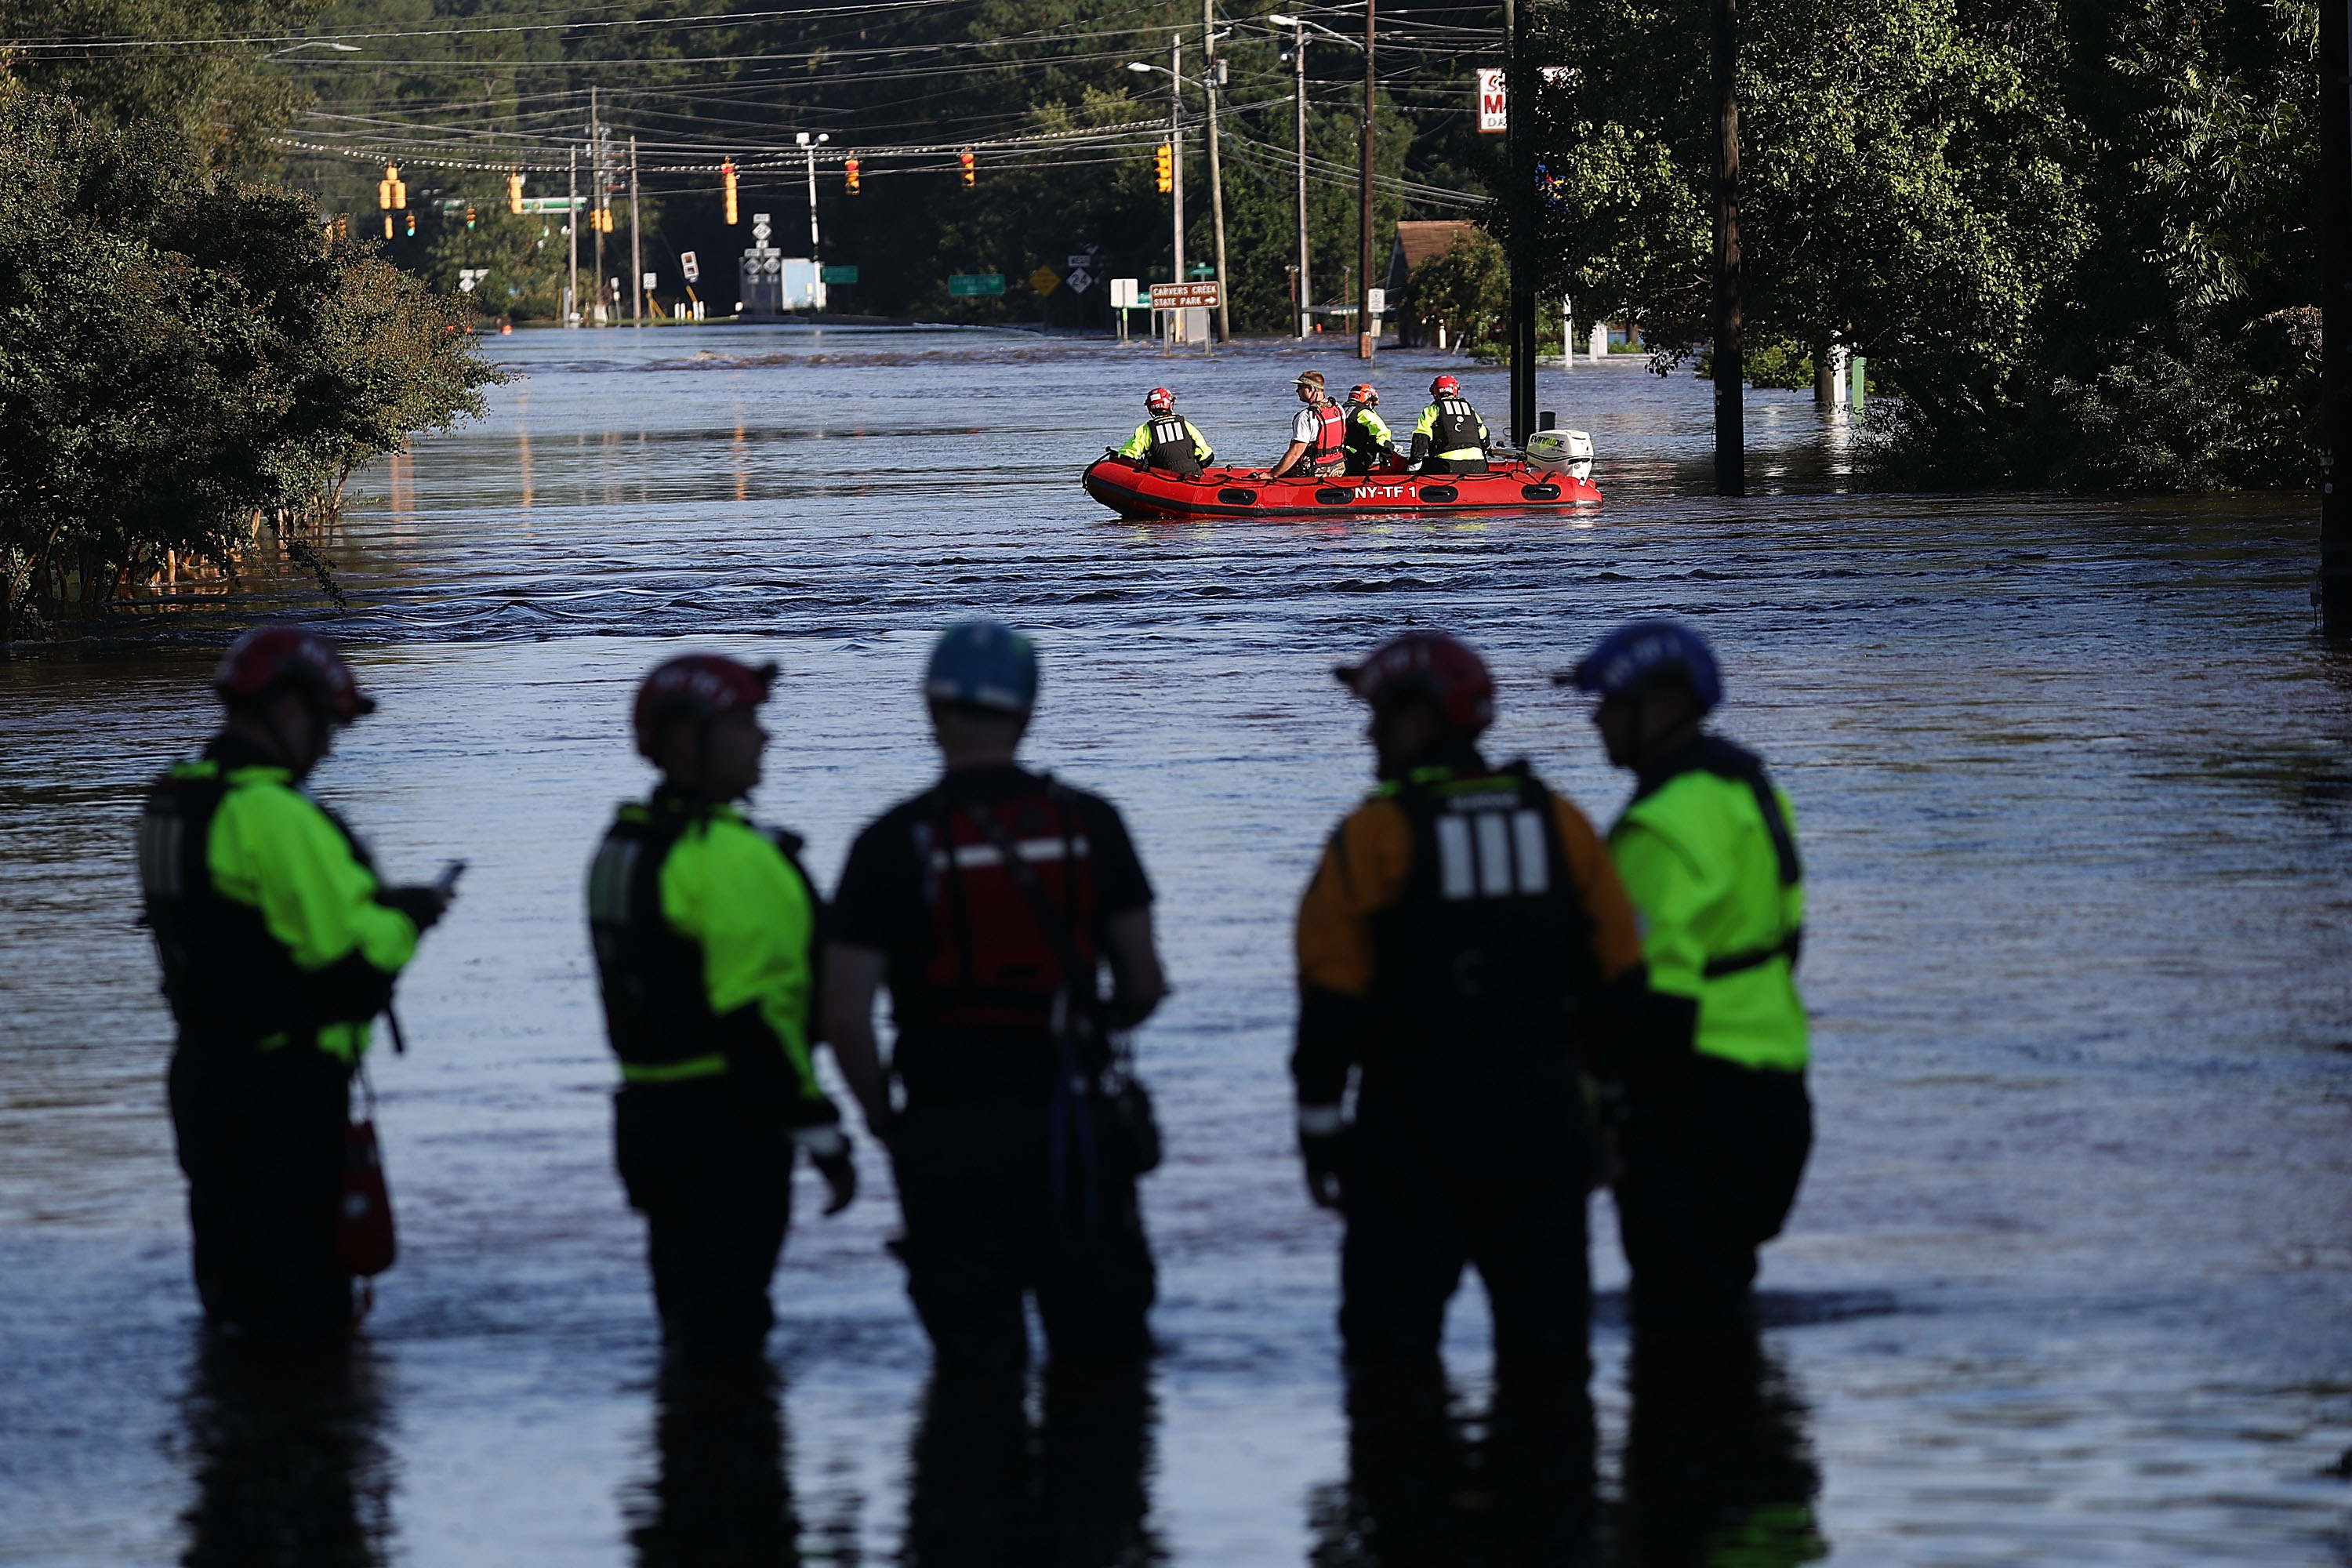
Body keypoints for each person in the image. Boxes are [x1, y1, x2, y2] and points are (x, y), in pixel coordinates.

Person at [1291, 631, 1647, 1374]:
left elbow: (1330, 999)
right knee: (1549, 1354)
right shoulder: (1563, 824)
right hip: (1544, 1126)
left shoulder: (1373, 837)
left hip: (1411, 1130)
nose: (1367, 733)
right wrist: (1612, 1112)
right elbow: (1619, 985)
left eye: (1379, 716)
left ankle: (1403, 1485)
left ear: (1419, 722)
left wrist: (1321, 1132)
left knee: (1392, 1355)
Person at [825, 619, 1170, 1374]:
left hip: (943, 1126)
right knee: (1103, 1367)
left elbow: (845, 1014)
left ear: (931, 708)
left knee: (973, 1369)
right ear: (1029, 709)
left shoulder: (889, 842)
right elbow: (1144, 985)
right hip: (1070, 1122)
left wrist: (886, 1120)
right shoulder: (1091, 824)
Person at [138, 625, 452, 1336]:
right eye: (325, 724)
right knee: (302, 1314)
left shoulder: (174, 801)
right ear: (285, 707)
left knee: (235, 1304)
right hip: (283, 1094)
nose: (330, 744)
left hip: (206, 1078)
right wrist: (411, 913)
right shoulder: (275, 815)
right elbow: (353, 963)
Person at [586, 653, 858, 1359]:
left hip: (648, 1122)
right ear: (685, 740)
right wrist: (817, 1124)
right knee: (732, 1329)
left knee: (689, 1320)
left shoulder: (621, 846)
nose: (764, 738)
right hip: (729, 1126)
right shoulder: (725, 856)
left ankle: (693, 1452)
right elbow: (755, 1017)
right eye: (744, 724)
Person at [1558, 619, 1811, 1329]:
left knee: (1680, 1330)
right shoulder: (1754, 791)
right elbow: (1787, 937)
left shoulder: (1658, 828)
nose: (1596, 719)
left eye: (1610, 703)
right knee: (1724, 1306)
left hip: (1693, 1103)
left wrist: (1610, 1116)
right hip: (1776, 1084)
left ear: (1663, 707)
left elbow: (1646, 999)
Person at [1114, 387, 1214, 477]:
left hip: (1161, 479)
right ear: (1169, 404)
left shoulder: (1146, 430)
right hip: (1192, 477)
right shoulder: (1186, 425)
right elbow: (1207, 457)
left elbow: (1126, 457)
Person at [1268, 369, 1347, 481]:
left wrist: (1272, 475)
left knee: (1280, 472)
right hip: (1337, 469)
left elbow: (1296, 453)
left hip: (1314, 473)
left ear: (1311, 389)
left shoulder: (1306, 416)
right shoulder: (1338, 408)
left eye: (1300, 387)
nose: (1297, 391)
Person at [1407, 374, 1492, 475]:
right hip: (1478, 466)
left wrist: (1412, 468)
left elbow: (1421, 439)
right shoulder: (1470, 410)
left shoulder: (1432, 410)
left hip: (1447, 466)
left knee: (1425, 465)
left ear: (1435, 392)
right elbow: (1484, 436)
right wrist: (1489, 448)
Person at [1341, 383, 1401, 475]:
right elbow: (1382, 434)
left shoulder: (1340, 410)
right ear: (1368, 400)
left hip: (1338, 459)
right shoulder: (1364, 413)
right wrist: (1386, 459)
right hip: (1357, 460)